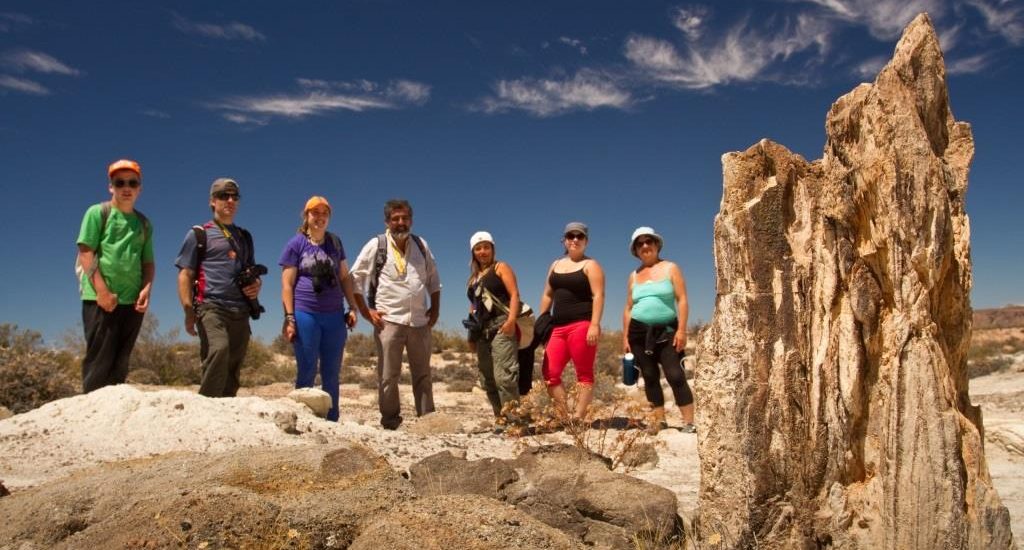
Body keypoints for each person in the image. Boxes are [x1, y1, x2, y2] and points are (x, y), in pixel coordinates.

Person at [351, 199, 441, 430]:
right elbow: (354, 278)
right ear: (387, 222)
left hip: (419, 321)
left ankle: (427, 421)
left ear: (411, 220)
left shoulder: (421, 245)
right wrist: (365, 311)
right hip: (388, 321)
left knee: (423, 375)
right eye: (395, 219)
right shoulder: (377, 245)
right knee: (388, 376)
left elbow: (433, 280)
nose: (401, 223)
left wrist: (436, 309)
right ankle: (391, 421)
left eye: (405, 218)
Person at [175, 178, 263, 398]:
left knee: (234, 362)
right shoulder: (199, 234)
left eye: (234, 196)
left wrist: (256, 286)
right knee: (219, 350)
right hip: (211, 307)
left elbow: (250, 271)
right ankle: (205, 406)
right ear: (212, 201)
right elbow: (185, 273)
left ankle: (225, 413)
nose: (230, 200)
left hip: (240, 310)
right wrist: (188, 310)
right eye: (224, 196)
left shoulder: (244, 237)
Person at [75, 159, 154, 393]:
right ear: (111, 187)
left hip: (132, 303)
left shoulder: (144, 224)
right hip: (100, 300)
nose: (126, 187)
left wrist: (146, 288)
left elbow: (148, 262)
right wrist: (102, 292)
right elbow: (86, 252)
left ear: (140, 188)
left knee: (121, 363)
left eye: (132, 182)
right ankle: (90, 416)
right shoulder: (98, 213)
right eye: (120, 182)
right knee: (99, 362)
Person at [279, 196, 358, 421]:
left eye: (324, 213)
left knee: (331, 373)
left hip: (334, 315)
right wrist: (290, 317)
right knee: (307, 369)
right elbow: (287, 284)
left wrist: (352, 307)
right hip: (306, 314)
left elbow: (344, 277)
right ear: (306, 216)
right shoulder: (296, 244)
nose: (320, 217)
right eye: (315, 213)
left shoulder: (335, 243)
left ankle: (331, 420)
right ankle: (303, 419)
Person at [622, 226, 695, 434]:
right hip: (638, 334)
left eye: (649, 241)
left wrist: (682, 330)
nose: (645, 246)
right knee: (649, 375)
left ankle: (689, 422)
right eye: (640, 243)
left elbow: (682, 300)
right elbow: (628, 308)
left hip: (668, 330)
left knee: (675, 374)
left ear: (656, 244)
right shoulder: (633, 276)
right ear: (635, 250)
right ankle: (658, 421)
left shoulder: (671, 268)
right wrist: (625, 337)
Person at [538, 222, 605, 422]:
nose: (575, 240)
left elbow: (598, 295)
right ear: (564, 240)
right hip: (557, 328)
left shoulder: (591, 265)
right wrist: (542, 321)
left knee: (583, 372)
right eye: (571, 236)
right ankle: (562, 415)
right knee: (550, 372)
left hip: (582, 325)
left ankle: (578, 416)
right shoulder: (555, 264)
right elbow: (547, 294)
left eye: (579, 236)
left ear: (586, 241)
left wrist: (594, 324)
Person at [465, 231, 523, 423]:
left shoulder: (501, 267)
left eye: (486, 247)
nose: (483, 251)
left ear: (492, 249)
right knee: (487, 379)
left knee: (504, 378)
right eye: (478, 248)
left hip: (501, 325)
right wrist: (471, 337)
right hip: (482, 332)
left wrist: (511, 321)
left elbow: (514, 294)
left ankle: (515, 422)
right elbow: (473, 309)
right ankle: (501, 419)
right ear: (473, 252)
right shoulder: (472, 279)